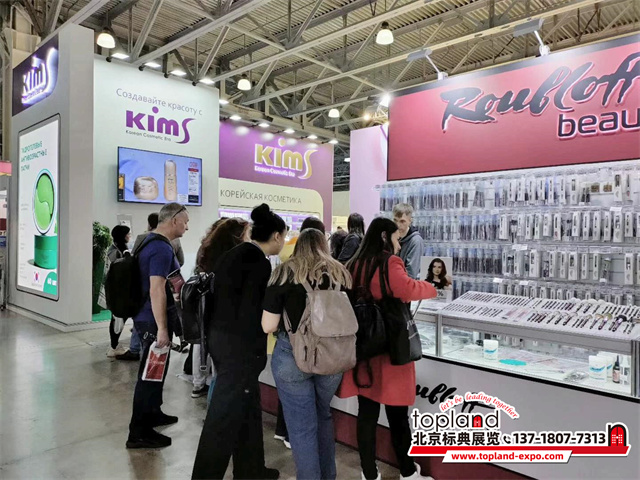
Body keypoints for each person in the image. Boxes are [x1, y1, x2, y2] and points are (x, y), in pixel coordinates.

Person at [192, 204, 286, 480]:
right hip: (240, 350)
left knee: (248, 409)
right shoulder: (258, 263)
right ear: (276, 236)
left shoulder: (233, 255)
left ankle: (251, 469)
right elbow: (252, 312)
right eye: (284, 236)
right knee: (222, 419)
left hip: (221, 342)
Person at [338, 218, 437, 480]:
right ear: (384, 236)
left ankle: (369, 473)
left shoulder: (354, 263)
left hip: (362, 348)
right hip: (390, 348)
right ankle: (407, 471)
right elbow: (408, 288)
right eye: (396, 239)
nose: (399, 245)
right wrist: (432, 287)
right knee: (398, 415)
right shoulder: (390, 262)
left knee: (366, 414)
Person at [262, 228, 352, 480]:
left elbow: (268, 325)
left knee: (302, 427)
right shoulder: (340, 273)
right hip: (333, 356)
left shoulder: (283, 273)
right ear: (325, 244)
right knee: (323, 415)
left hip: (292, 356)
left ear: (298, 245)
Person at [126, 203, 189, 450]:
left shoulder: (148, 242)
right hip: (152, 320)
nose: (187, 226)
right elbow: (156, 290)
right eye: (185, 221)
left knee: (156, 372)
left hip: (147, 317)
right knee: (149, 374)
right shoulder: (161, 248)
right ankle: (138, 432)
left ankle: (153, 413)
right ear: (174, 220)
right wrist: (162, 328)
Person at [191, 218, 251, 400]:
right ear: (237, 237)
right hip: (227, 329)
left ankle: (199, 385)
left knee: (217, 374)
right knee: (223, 378)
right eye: (247, 234)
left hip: (210, 320)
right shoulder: (234, 261)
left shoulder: (207, 251)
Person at [106, 225, 141, 360]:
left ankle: (114, 346)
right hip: (118, 292)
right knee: (117, 319)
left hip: (120, 291)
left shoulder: (118, 249)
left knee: (118, 318)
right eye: (128, 234)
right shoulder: (116, 252)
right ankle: (114, 347)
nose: (130, 236)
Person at [393, 204, 423, 279]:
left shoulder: (416, 241)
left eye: (402, 221)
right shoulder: (392, 237)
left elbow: (411, 274)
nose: (398, 225)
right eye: (395, 220)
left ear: (410, 221)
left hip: (404, 284)